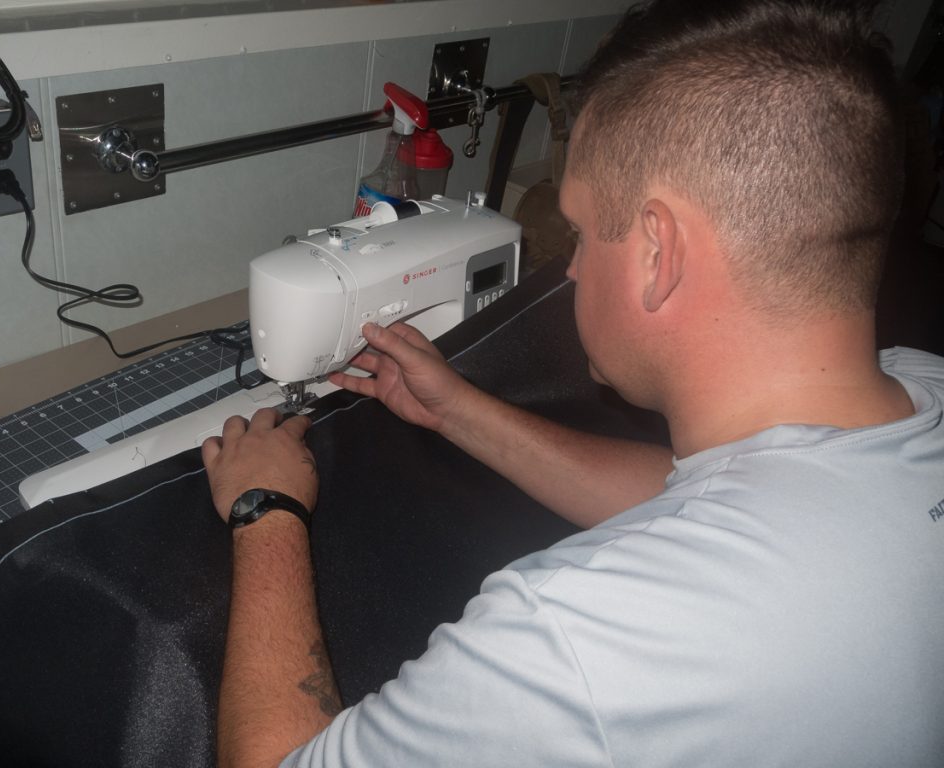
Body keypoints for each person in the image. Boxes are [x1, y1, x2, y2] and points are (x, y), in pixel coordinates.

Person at [201, 0, 944, 765]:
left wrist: (269, 509)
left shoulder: (575, 638)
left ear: (659, 251)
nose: (577, 265)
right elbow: (705, 491)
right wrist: (459, 410)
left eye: (584, 233)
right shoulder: (918, 389)